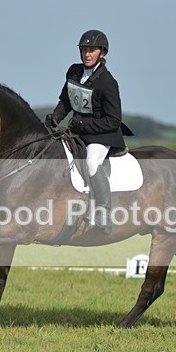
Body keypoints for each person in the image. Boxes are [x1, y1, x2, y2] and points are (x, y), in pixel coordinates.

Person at [46, 29, 134, 235]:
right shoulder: (74, 72)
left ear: (101, 53)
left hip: (102, 134)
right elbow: (66, 101)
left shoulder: (108, 82)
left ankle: (103, 213)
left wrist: (82, 126)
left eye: (91, 50)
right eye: (84, 50)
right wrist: (55, 117)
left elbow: (114, 120)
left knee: (92, 163)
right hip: (77, 130)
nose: (87, 54)